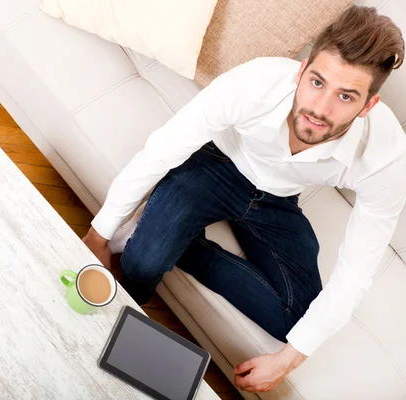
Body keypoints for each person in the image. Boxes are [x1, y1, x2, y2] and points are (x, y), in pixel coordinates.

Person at [82, 5, 405, 393]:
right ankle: (159, 235)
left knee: (300, 322)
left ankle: (178, 241)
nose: (320, 109)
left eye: (346, 96)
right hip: (219, 166)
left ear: (369, 105)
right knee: (140, 262)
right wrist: (99, 235)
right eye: (317, 82)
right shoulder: (255, 83)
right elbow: (162, 150)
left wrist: (286, 360)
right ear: (301, 71)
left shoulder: (386, 157)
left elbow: (355, 274)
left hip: (279, 201)